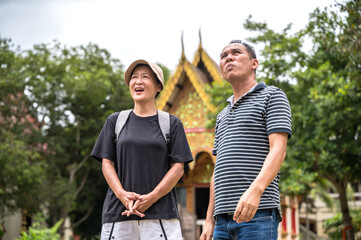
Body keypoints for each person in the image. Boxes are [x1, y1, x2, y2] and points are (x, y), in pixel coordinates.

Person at [91, 59, 193, 240]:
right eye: (134, 77)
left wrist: (151, 198)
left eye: (145, 77)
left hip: (161, 216)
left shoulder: (171, 123)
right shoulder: (115, 122)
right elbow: (107, 164)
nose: (138, 81)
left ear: (158, 86)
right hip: (119, 215)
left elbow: (178, 168)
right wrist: (122, 196)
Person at [200, 40, 292, 240]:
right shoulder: (222, 115)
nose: (228, 57)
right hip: (222, 220)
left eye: (236, 53)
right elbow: (217, 170)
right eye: (224, 56)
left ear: (254, 63)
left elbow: (278, 150)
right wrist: (209, 219)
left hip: (258, 212)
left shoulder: (272, 96)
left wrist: (255, 192)